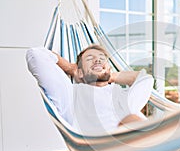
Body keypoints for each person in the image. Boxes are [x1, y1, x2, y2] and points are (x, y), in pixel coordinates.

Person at [26, 44, 154, 133]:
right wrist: (71, 68)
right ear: (80, 72)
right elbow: (36, 55)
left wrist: (109, 76)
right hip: (107, 150)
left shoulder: (123, 94)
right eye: (90, 59)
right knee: (133, 120)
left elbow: (146, 79)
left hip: (142, 143)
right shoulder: (72, 93)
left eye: (102, 59)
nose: (98, 60)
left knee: (136, 120)